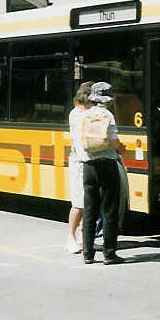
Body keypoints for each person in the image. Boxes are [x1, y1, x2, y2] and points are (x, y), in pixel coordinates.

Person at [79, 82, 125, 265]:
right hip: (107, 165)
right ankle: (109, 253)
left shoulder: (85, 115)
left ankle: (88, 253)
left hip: (89, 166)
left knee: (90, 209)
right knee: (109, 209)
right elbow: (113, 141)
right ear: (108, 99)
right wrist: (121, 148)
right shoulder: (108, 115)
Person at [65, 81, 94, 254]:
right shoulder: (76, 114)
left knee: (87, 203)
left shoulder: (89, 113)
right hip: (79, 162)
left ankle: (83, 237)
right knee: (78, 203)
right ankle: (71, 237)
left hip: (88, 162)